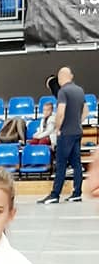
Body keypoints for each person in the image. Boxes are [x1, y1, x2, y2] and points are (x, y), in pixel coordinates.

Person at [39, 66, 86, 204]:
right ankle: (77, 193)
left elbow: (60, 113)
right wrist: (77, 122)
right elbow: (86, 111)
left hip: (66, 133)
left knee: (60, 165)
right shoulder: (80, 90)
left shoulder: (63, 91)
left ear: (60, 79)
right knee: (77, 164)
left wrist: (58, 128)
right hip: (77, 132)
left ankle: (55, 195)